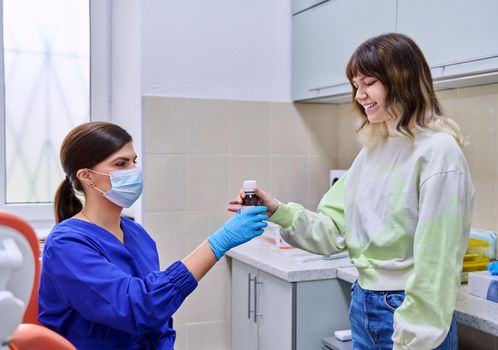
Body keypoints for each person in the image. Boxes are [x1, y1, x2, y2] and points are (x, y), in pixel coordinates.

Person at [229, 33, 475, 350]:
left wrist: (413, 336)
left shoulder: (438, 152)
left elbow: (436, 265)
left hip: (409, 313)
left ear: (402, 81)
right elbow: (333, 230)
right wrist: (278, 210)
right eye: (356, 85)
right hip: (365, 305)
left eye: (369, 83)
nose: (359, 95)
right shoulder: (373, 151)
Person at [39, 121, 268, 349]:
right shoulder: (66, 244)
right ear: (87, 176)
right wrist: (219, 242)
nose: (133, 171)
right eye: (121, 164)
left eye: (134, 161)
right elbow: (137, 308)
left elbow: (159, 318)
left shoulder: (137, 234)